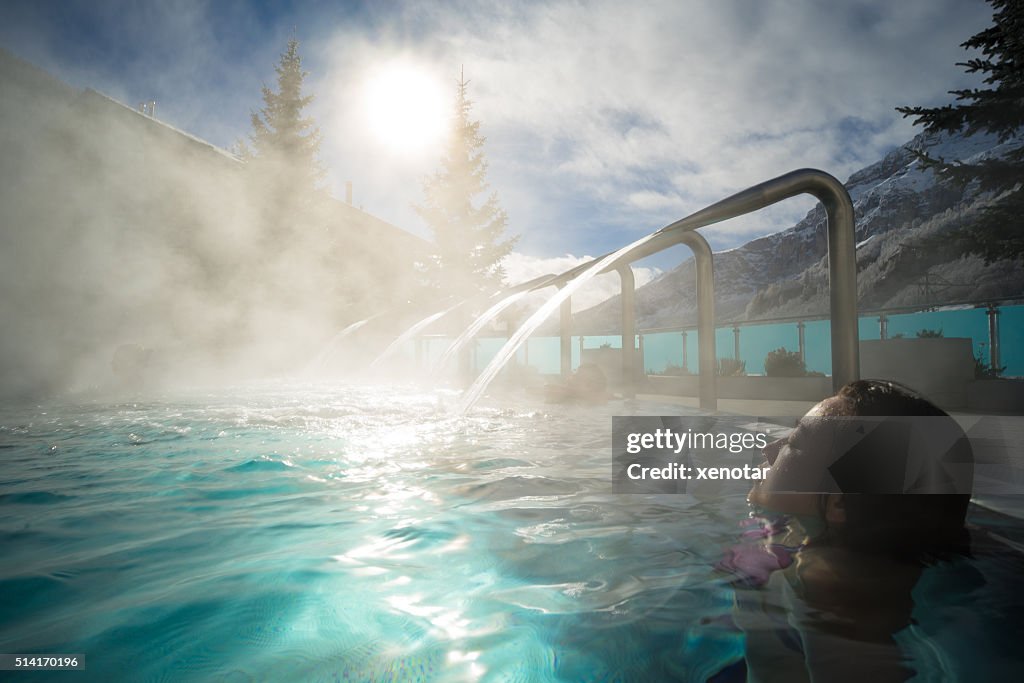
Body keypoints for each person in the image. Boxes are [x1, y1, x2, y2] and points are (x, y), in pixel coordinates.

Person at [728, 379, 974, 682]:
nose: (770, 448)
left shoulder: (834, 590)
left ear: (839, 503)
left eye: (795, 442)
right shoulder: (872, 546)